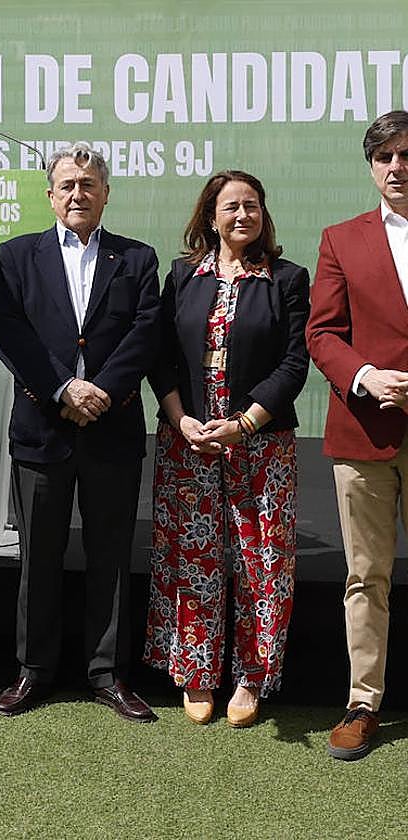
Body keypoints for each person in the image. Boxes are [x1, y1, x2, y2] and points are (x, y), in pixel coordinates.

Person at [0, 142, 160, 723]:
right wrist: (65, 389)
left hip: (111, 430)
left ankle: (107, 674)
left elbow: (144, 334)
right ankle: (33, 670)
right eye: (67, 184)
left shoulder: (137, 259)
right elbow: (11, 335)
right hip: (43, 430)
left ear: (106, 193)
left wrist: (101, 392)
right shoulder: (16, 257)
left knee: (111, 554)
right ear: (50, 195)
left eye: (89, 184)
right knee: (38, 555)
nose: (78, 194)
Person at [144, 171, 309, 727]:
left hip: (261, 446)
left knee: (263, 564)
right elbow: (160, 355)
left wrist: (245, 423)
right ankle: (196, 673)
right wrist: (180, 418)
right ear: (209, 216)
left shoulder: (287, 279)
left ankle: (251, 678)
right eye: (231, 206)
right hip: (187, 444)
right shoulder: (182, 275)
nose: (243, 215)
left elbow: (294, 363)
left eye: (253, 206)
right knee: (192, 560)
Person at [306, 110, 408, 760]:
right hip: (364, 431)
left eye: (407, 154)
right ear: (371, 168)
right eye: (386, 157)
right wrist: (366, 375)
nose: (398, 167)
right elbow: (322, 334)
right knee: (366, 576)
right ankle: (363, 704)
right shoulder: (342, 238)